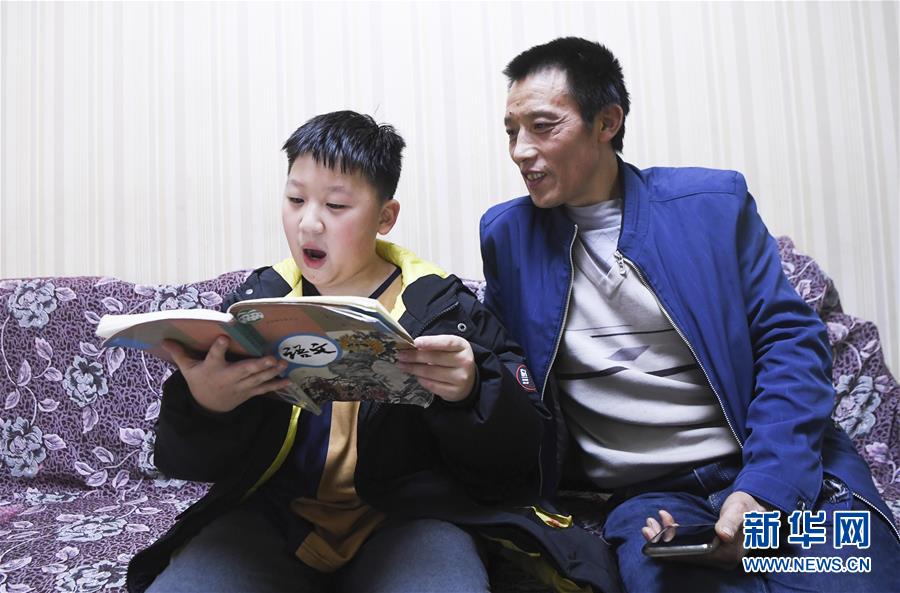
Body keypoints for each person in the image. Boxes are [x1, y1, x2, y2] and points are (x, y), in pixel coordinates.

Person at [480, 37, 900, 593]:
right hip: (654, 500)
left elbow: (792, 343)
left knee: (850, 578)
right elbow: (509, 373)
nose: (520, 150)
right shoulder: (508, 236)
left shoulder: (712, 205)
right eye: (512, 131)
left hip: (771, 464)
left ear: (607, 122)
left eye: (542, 127)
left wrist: (765, 491)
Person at [126, 111, 568, 593]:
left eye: (336, 205)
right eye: (295, 199)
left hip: (411, 519)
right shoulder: (257, 301)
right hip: (273, 515)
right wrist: (207, 405)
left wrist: (472, 391)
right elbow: (187, 463)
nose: (308, 223)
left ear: (385, 217)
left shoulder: (444, 308)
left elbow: (525, 455)